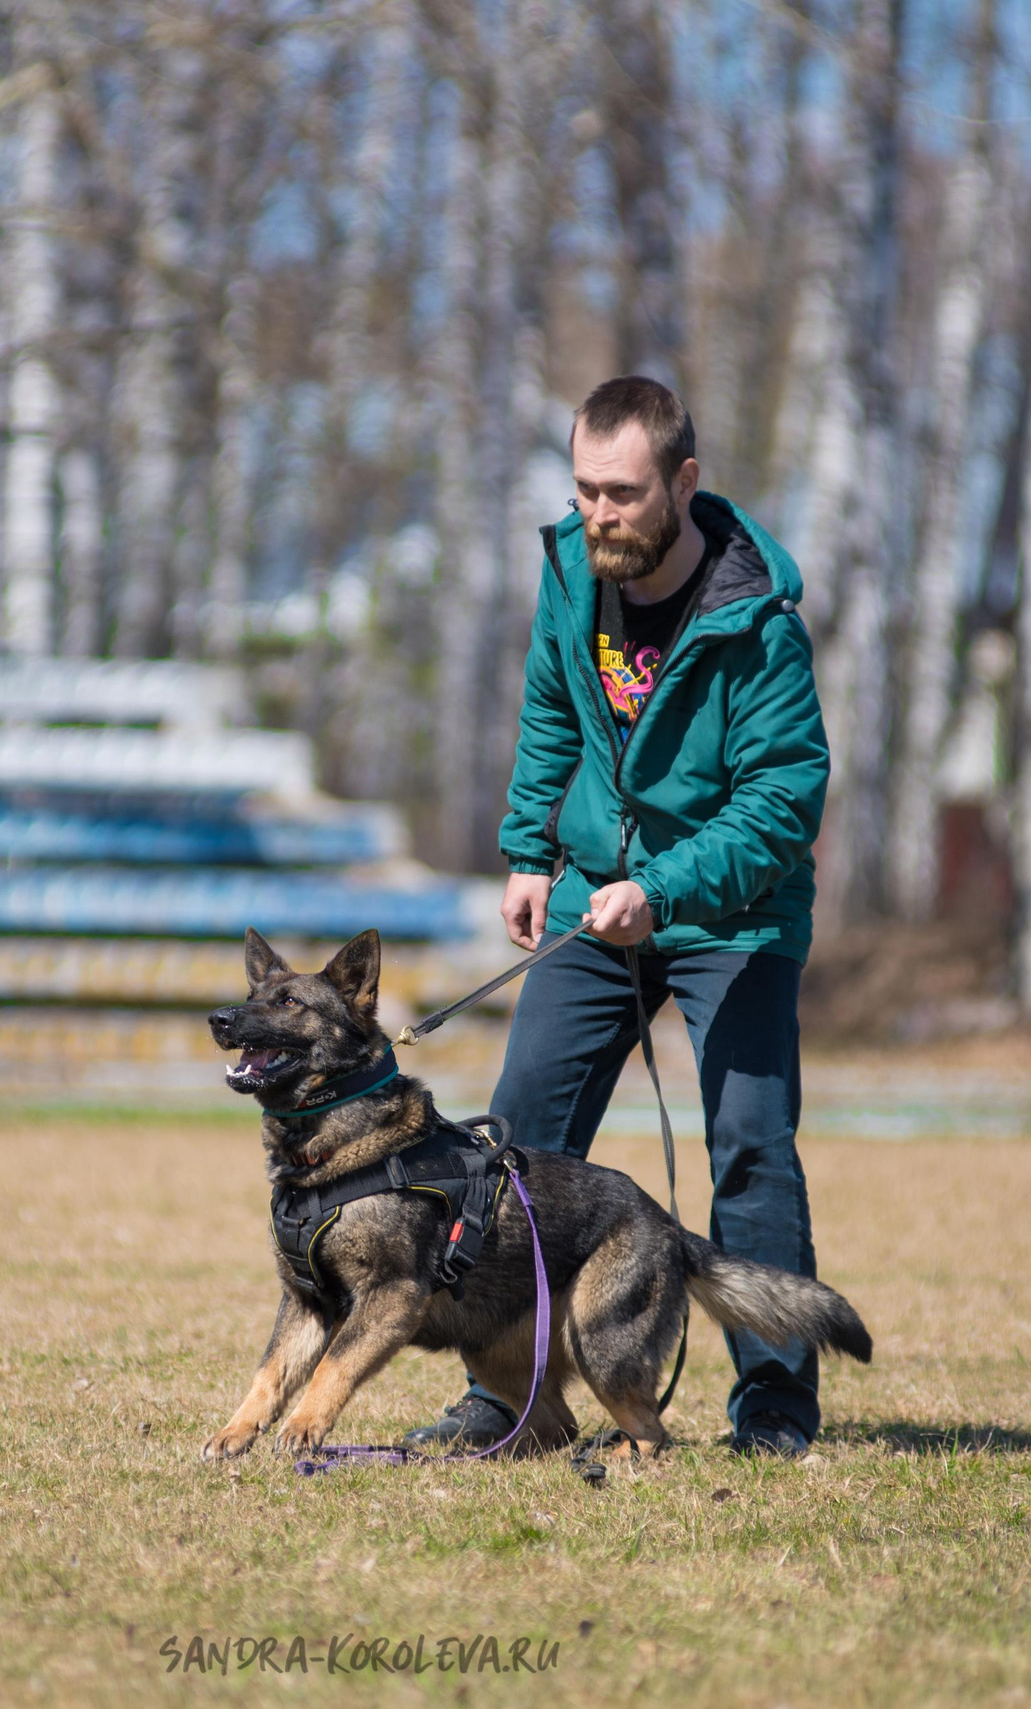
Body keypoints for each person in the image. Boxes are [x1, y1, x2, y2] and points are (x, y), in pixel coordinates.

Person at [405, 375, 833, 1458]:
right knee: (516, 1143)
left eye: (624, 493)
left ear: (683, 482)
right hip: (597, 896)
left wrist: (667, 892)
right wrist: (525, 850)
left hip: (731, 910)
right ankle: (511, 1399)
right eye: (584, 489)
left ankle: (774, 1405)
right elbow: (551, 705)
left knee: (750, 1145)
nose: (598, 514)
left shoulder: (758, 622)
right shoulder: (567, 571)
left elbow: (781, 803)